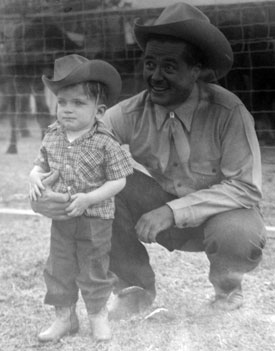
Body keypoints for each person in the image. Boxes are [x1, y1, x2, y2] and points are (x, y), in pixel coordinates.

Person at [30, 2, 267, 319]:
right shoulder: (131, 112)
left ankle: (228, 291)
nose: (155, 76)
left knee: (239, 232)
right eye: (150, 64)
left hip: (219, 218)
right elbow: (78, 142)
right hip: (159, 212)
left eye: (169, 67)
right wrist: (43, 182)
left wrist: (171, 211)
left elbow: (246, 188)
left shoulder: (228, 112)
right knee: (106, 186)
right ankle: (133, 290)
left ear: (196, 71)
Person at [29, 54, 133, 341]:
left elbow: (119, 180)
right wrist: (34, 176)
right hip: (62, 218)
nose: (67, 110)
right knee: (58, 267)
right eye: (62, 102)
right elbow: (41, 164)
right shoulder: (53, 135)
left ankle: (98, 318)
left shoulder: (106, 141)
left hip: (95, 219)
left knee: (94, 268)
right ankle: (64, 319)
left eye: (78, 103)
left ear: (99, 111)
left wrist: (89, 198)